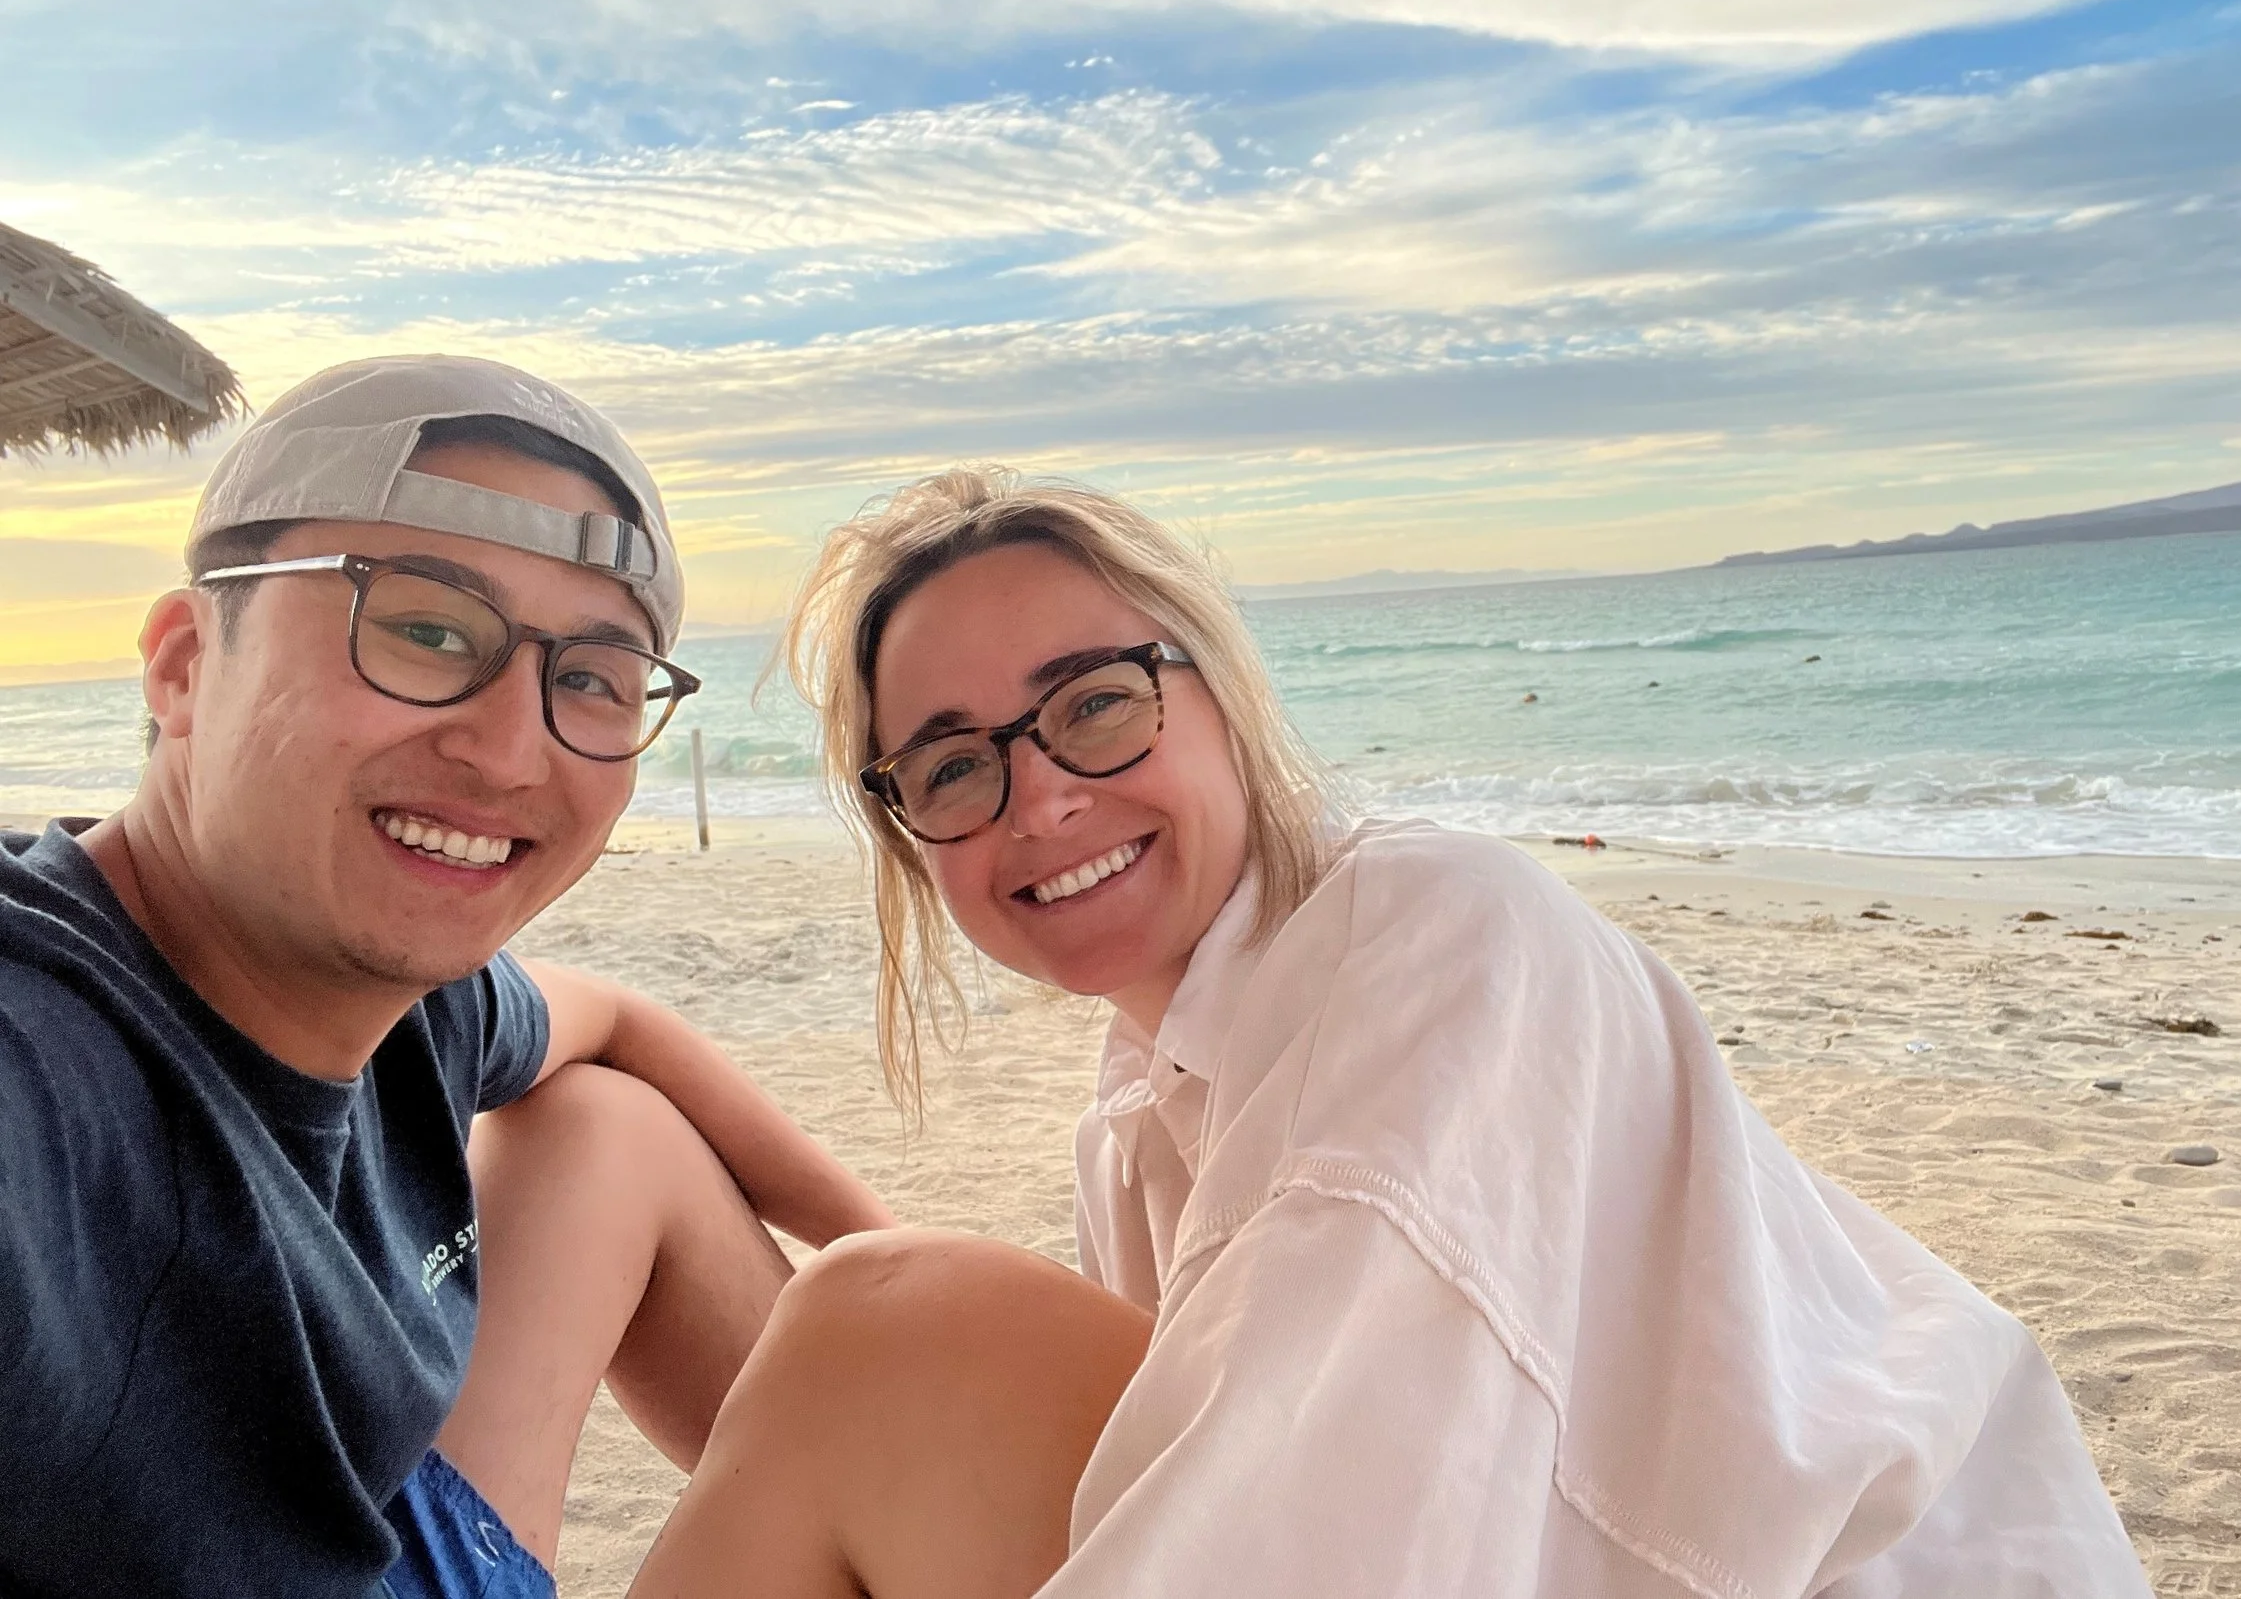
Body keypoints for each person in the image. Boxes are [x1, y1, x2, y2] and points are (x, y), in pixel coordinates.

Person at [637, 464, 2154, 1598]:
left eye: (1094, 704)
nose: (1038, 795)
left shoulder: (1442, 932)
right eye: (953, 765)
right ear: (915, 835)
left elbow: (1322, 1535)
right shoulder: (1139, 1111)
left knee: (883, 1314)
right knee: (820, 1285)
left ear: (1218, 696)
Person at [0, 356, 894, 1599]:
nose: (511, 751)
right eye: (423, 629)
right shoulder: (42, 1074)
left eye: (589, 679)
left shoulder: (418, 999)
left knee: (616, 1128)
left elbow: (620, 1020)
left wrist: (885, 1259)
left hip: (371, 1532)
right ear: (184, 666)